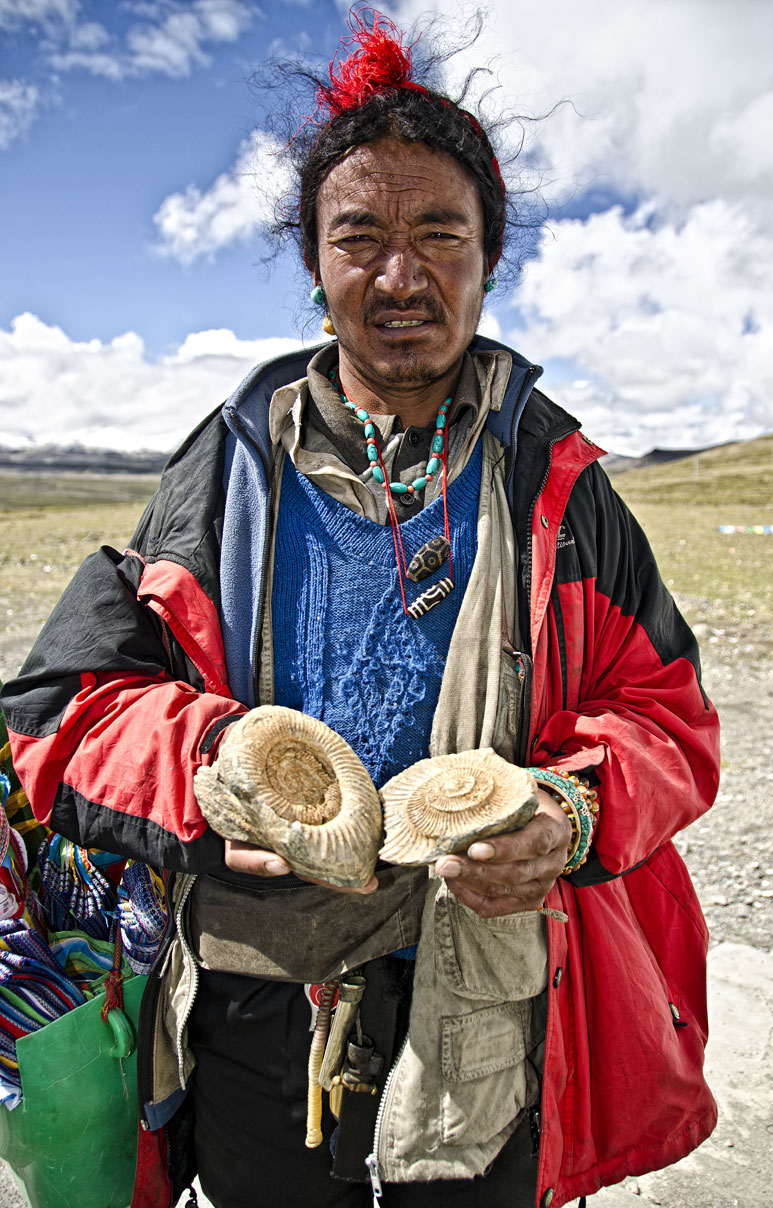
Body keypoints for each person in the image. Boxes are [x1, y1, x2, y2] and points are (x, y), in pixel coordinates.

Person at [0, 11, 720, 1208]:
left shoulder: (562, 484)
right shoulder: (225, 468)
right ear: (313, 260)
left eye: (439, 229)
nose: (399, 272)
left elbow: (669, 716)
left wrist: (569, 808)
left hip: (486, 1008)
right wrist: (211, 761)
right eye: (359, 236)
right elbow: (65, 709)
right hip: (255, 1001)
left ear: (488, 251)